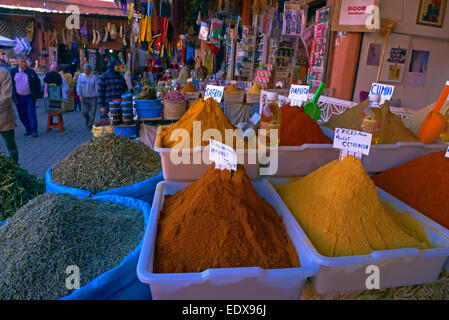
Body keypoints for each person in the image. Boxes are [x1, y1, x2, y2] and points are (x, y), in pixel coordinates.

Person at [10, 55, 41, 138]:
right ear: (17, 62)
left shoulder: (31, 72)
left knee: (31, 113)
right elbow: (10, 84)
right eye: (21, 62)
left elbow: (37, 83)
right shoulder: (13, 72)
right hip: (19, 97)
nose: (23, 63)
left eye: (24, 61)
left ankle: (34, 130)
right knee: (22, 114)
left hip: (30, 96)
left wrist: (38, 95)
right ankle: (28, 129)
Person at [0, 66, 18, 162]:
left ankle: (15, 169)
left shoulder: (3, 73)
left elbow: (6, 98)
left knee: (11, 146)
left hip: (4, 118)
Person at [77, 64, 98, 129]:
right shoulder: (81, 76)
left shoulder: (94, 77)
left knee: (93, 113)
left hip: (93, 97)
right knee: (84, 112)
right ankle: (88, 120)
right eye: (84, 69)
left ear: (90, 70)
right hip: (84, 97)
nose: (86, 71)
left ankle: (90, 125)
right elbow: (78, 86)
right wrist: (80, 95)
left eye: (87, 69)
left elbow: (97, 87)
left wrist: (97, 96)